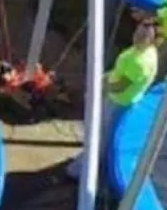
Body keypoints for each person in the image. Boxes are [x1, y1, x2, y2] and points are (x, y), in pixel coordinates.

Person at [68, 24, 160, 181]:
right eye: (138, 33)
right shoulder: (145, 52)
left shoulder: (140, 62)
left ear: (151, 39)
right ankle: (86, 163)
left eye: (143, 36)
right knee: (101, 133)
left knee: (100, 135)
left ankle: (82, 169)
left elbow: (120, 86)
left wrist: (102, 86)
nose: (137, 37)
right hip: (119, 98)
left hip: (118, 101)